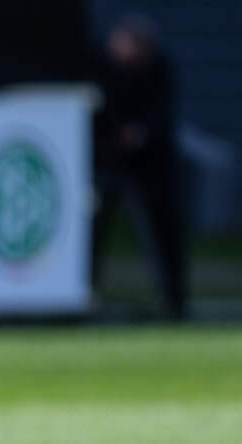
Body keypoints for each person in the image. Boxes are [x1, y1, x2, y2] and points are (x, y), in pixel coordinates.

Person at [90, 13, 189, 319]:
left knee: (163, 226)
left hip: (151, 163)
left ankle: (175, 300)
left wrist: (141, 133)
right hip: (110, 160)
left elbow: (164, 113)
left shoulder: (159, 68)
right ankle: (83, 294)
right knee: (94, 228)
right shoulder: (103, 69)